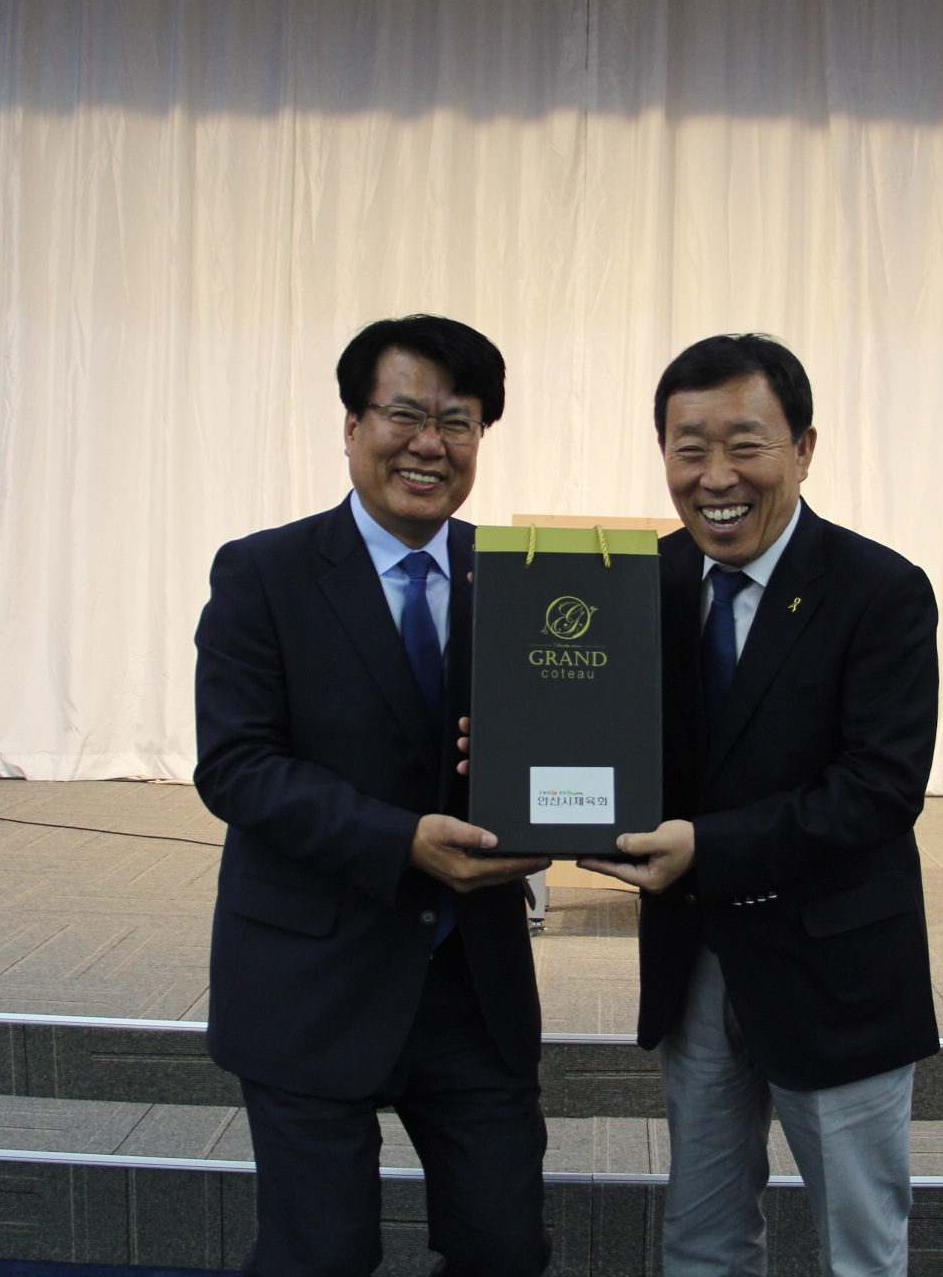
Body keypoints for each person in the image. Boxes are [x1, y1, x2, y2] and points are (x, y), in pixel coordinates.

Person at [194, 315, 552, 1277]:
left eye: (458, 421)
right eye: (405, 415)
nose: (430, 444)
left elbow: (564, 743)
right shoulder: (263, 573)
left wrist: (569, 802)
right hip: (312, 980)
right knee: (320, 1258)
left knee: (507, 1249)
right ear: (352, 426)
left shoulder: (518, 580)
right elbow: (236, 765)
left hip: (471, 987)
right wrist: (401, 841)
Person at [582, 334, 941, 1277]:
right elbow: (595, 734)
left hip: (836, 972)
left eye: (746, 444)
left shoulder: (880, 591)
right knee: (702, 1240)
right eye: (688, 448)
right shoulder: (637, 586)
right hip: (695, 962)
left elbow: (879, 789)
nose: (716, 477)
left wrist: (707, 845)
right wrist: (514, 760)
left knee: (862, 1248)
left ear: (804, 449)